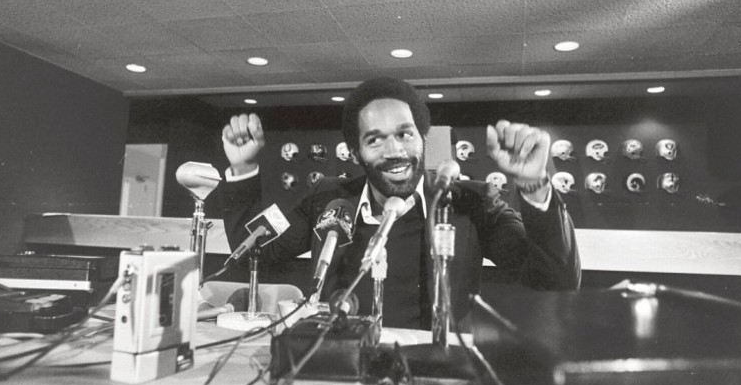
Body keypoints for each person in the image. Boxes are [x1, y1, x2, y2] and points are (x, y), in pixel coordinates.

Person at [219, 77, 581, 330]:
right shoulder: (327, 200)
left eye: (405, 134)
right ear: (357, 152)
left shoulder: (471, 202)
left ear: (422, 139)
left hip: (438, 372)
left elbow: (556, 282)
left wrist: (534, 183)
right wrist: (243, 167)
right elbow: (254, 251)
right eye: (375, 140)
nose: (395, 151)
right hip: (342, 363)